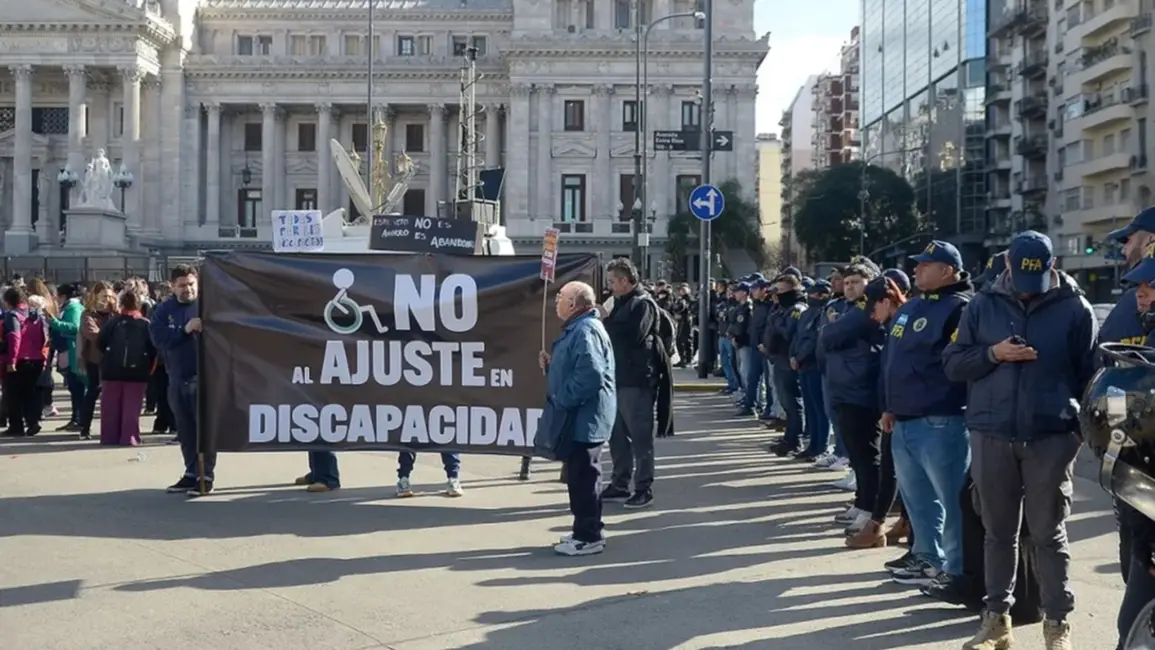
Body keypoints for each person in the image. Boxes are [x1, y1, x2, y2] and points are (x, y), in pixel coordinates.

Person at [943, 230, 1097, 650]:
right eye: (1023, 279)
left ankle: (1057, 625)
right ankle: (997, 620)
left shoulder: (1076, 308)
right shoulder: (981, 305)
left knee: (1049, 533)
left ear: (1052, 267)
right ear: (1008, 264)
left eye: (1038, 280)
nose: (1029, 292)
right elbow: (952, 364)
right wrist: (994, 354)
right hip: (991, 434)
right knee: (997, 534)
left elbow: (1091, 378)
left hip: (1051, 438)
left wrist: (1077, 434)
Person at [879, 242, 974, 590]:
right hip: (903, 417)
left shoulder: (960, 308)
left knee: (951, 500)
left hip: (941, 419)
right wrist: (889, 405)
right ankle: (926, 556)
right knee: (917, 499)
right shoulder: (913, 306)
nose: (916, 270)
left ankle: (957, 568)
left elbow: (958, 363)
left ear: (947, 270)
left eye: (925, 265)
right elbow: (894, 360)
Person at [539, 281, 616, 556]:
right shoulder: (580, 328)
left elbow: (590, 375)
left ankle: (588, 536)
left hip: (585, 418)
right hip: (583, 417)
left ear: (573, 303)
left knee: (584, 479)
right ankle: (586, 528)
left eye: (561, 296)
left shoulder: (585, 330)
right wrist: (553, 366)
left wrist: (562, 399)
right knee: (581, 477)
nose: (556, 301)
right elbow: (578, 367)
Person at [821, 261, 885, 535]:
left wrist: (833, 328)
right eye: (846, 283)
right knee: (856, 454)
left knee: (867, 454)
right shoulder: (847, 309)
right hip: (844, 388)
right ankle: (861, 502)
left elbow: (829, 335)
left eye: (856, 282)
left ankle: (870, 509)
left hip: (860, 390)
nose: (849, 287)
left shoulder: (865, 310)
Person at [601, 258, 659, 509]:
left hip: (636, 382)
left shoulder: (642, 304)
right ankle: (620, 482)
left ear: (625, 280)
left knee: (640, 437)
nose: (609, 286)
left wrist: (606, 320)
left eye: (612, 281)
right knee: (617, 437)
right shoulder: (619, 302)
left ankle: (643, 488)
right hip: (616, 379)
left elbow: (634, 336)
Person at [150, 265, 211, 497]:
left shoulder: (207, 306)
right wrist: (184, 330)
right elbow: (158, 339)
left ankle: (206, 476)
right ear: (173, 286)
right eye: (182, 285)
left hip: (204, 378)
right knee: (185, 431)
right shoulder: (164, 310)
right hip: (177, 377)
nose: (188, 289)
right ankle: (191, 472)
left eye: (191, 284)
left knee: (205, 430)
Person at [97, 291, 156, 446]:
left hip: (111, 370)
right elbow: (153, 348)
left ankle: (109, 437)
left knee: (110, 406)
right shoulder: (145, 324)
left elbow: (100, 342)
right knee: (132, 406)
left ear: (121, 303)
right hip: (138, 372)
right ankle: (129, 437)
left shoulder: (113, 322)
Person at [792, 279, 832, 461]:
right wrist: (793, 355)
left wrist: (800, 357)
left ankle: (821, 446)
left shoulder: (822, 313)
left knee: (819, 409)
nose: (809, 296)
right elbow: (797, 337)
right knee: (810, 407)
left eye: (813, 293)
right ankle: (812, 445)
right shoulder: (806, 313)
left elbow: (815, 339)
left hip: (814, 364)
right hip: (803, 365)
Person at [1, 286, 49, 437]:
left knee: (14, 394)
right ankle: (33, 422)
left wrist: (12, 360)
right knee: (31, 393)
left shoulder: (13, 315)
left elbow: (15, 337)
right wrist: (44, 357)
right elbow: (45, 335)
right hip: (37, 359)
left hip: (20, 359)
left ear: (8, 301)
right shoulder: (36, 314)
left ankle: (16, 426)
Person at [767, 273, 806, 456]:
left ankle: (795, 439)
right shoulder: (781, 309)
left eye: (782, 290)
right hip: (779, 358)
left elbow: (788, 332)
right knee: (785, 402)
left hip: (788, 359)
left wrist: (776, 322)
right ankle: (789, 437)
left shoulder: (797, 308)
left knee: (792, 402)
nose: (777, 294)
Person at [76, 283, 117, 440]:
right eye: (104, 296)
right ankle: (84, 426)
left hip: (114, 359)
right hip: (95, 359)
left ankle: (112, 428)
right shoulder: (88, 314)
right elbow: (92, 334)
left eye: (110, 296)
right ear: (96, 296)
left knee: (112, 395)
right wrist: (114, 340)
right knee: (93, 392)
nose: (107, 300)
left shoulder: (115, 313)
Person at [49, 283, 85, 431]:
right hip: (67, 350)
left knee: (77, 386)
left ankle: (79, 419)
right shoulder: (68, 307)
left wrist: (55, 322)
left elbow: (75, 327)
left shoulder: (73, 308)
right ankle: (76, 418)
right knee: (73, 387)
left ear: (63, 296)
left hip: (73, 351)